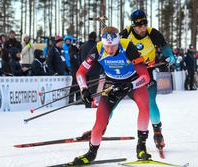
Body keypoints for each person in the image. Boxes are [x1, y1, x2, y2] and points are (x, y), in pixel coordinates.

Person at [72, 26, 151, 165]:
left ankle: (141, 146)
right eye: (107, 46)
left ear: (118, 41)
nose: (109, 50)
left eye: (113, 46)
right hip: (111, 83)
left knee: (145, 108)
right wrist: (84, 89)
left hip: (132, 81)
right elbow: (80, 73)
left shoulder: (127, 46)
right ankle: (91, 153)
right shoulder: (97, 49)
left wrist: (131, 85)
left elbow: (145, 76)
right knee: (100, 119)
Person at [119, 9, 176, 158]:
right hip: (128, 74)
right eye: (139, 25)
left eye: (144, 23)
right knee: (111, 101)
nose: (143, 28)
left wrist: (169, 59)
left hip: (146, 72)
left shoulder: (153, 33)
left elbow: (168, 52)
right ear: (133, 25)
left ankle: (157, 132)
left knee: (150, 102)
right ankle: (99, 129)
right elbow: (113, 51)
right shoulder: (126, 33)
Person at [79, 32, 102, 108]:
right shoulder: (97, 45)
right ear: (95, 37)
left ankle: (86, 101)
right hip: (94, 69)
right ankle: (90, 103)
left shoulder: (82, 46)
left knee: (85, 86)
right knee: (93, 88)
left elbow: (80, 57)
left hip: (84, 68)